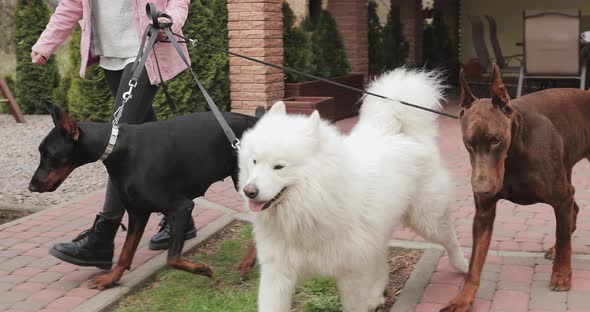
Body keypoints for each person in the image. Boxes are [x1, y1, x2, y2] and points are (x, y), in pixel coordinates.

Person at [31, 0, 195, 270]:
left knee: (118, 144)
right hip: (111, 55)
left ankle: (102, 237)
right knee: (141, 137)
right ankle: (179, 214)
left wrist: (170, 21)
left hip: (146, 49)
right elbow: (72, 4)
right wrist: (46, 44)